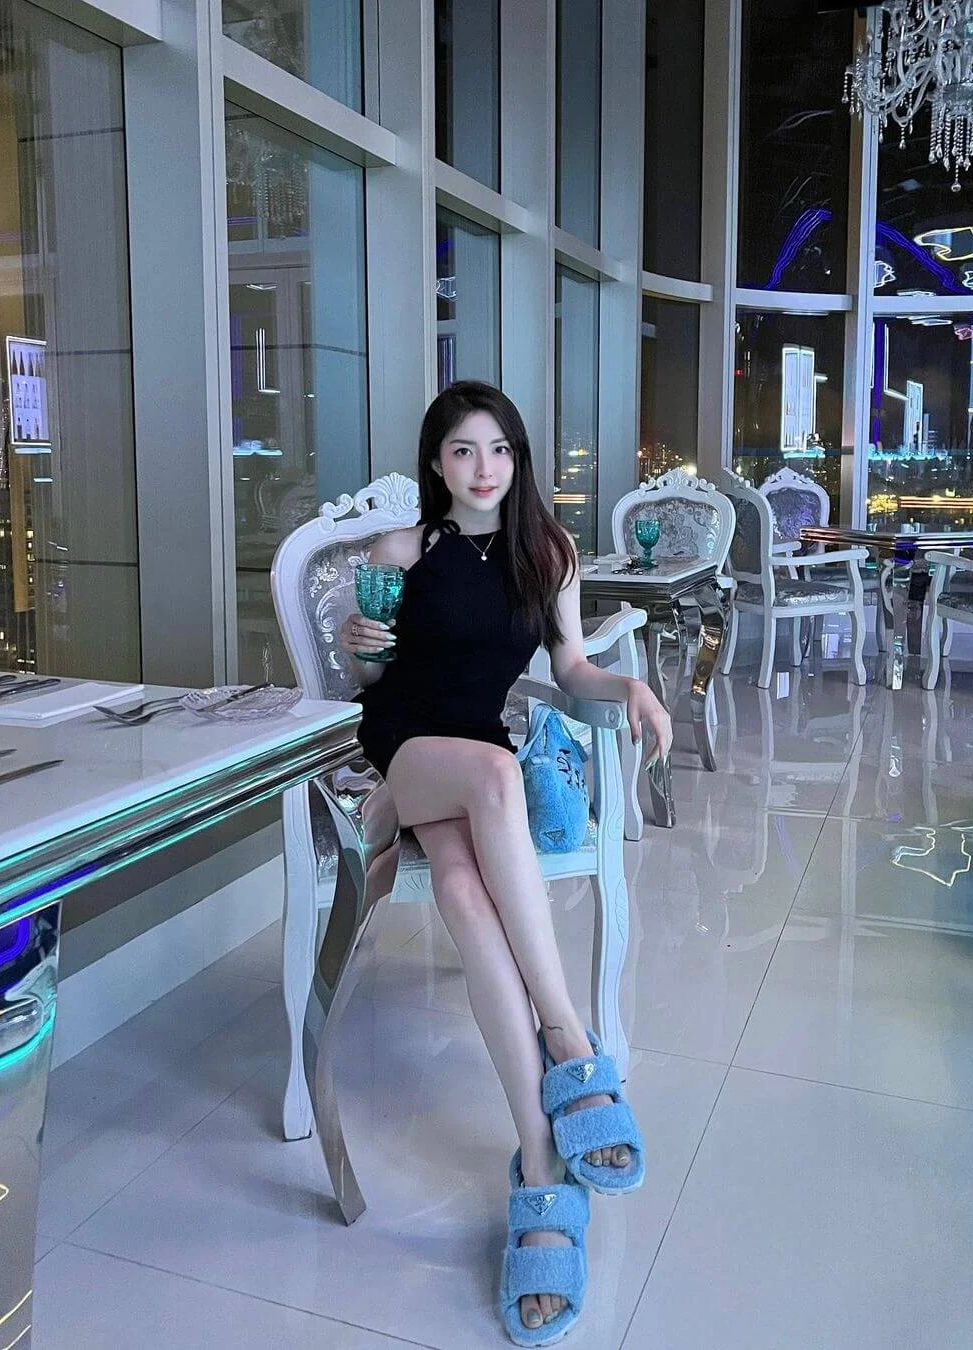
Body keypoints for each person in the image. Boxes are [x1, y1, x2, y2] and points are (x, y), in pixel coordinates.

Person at [338, 382, 671, 1346]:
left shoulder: (548, 552)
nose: (482, 469)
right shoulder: (400, 553)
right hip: (407, 747)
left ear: (518, 460)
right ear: (435, 463)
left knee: (462, 890)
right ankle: (569, 1036)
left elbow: (570, 668)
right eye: (461, 451)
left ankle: (535, 1158)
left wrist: (630, 686)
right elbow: (371, 680)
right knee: (491, 774)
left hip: (475, 760)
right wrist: (359, 646)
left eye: (499, 450)